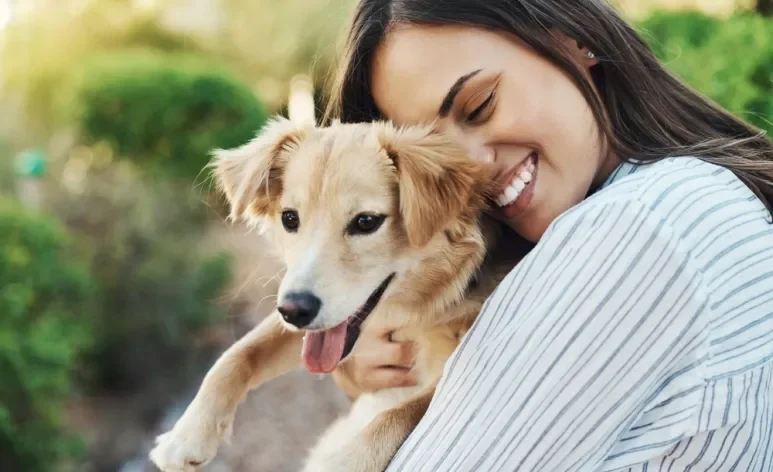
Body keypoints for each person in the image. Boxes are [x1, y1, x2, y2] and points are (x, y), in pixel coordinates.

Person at [325, 1, 773, 470]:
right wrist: (391, 376)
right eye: (431, 161)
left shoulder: (642, 225)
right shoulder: (702, 195)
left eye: (479, 106)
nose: (468, 173)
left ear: (577, 38)